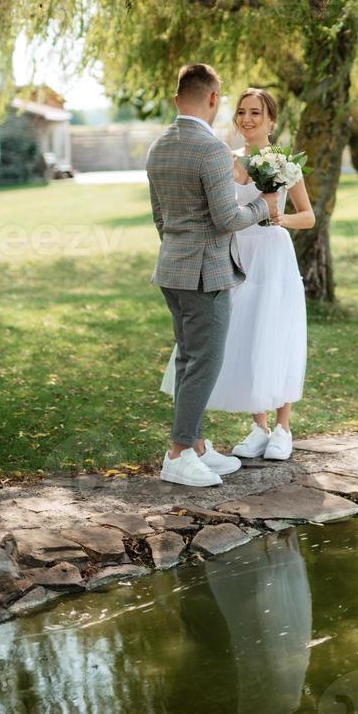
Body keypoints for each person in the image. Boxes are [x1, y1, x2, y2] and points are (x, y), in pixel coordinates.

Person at [161, 88, 314, 462]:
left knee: (275, 333)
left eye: (256, 113)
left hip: (273, 256)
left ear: (271, 120)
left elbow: (308, 216)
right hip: (234, 253)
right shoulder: (223, 158)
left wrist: (280, 218)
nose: (247, 119)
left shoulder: (285, 163)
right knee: (244, 335)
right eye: (242, 112)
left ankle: (283, 428)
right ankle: (258, 427)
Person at [147, 64, 279, 488]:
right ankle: (179, 453)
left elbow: (159, 218)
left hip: (172, 269)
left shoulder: (158, 147)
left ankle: (198, 446)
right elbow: (226, 218)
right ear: (213, 99)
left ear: (176, 99)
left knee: (189, 357)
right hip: (206, 274)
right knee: (204, 362)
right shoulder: (212, 150)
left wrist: (179, 246)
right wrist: (265, 206)